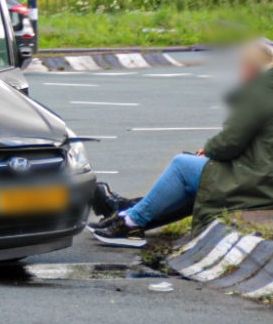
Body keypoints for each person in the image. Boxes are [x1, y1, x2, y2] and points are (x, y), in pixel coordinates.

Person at [92, 38, 273, 247]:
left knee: (182, 165)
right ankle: (128, 217)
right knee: (194, 175)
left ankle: (130, 222)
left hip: (258, 180)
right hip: (262, 175)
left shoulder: (260, 92)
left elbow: (231, 141)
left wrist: (208, 151)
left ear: (250, 67)